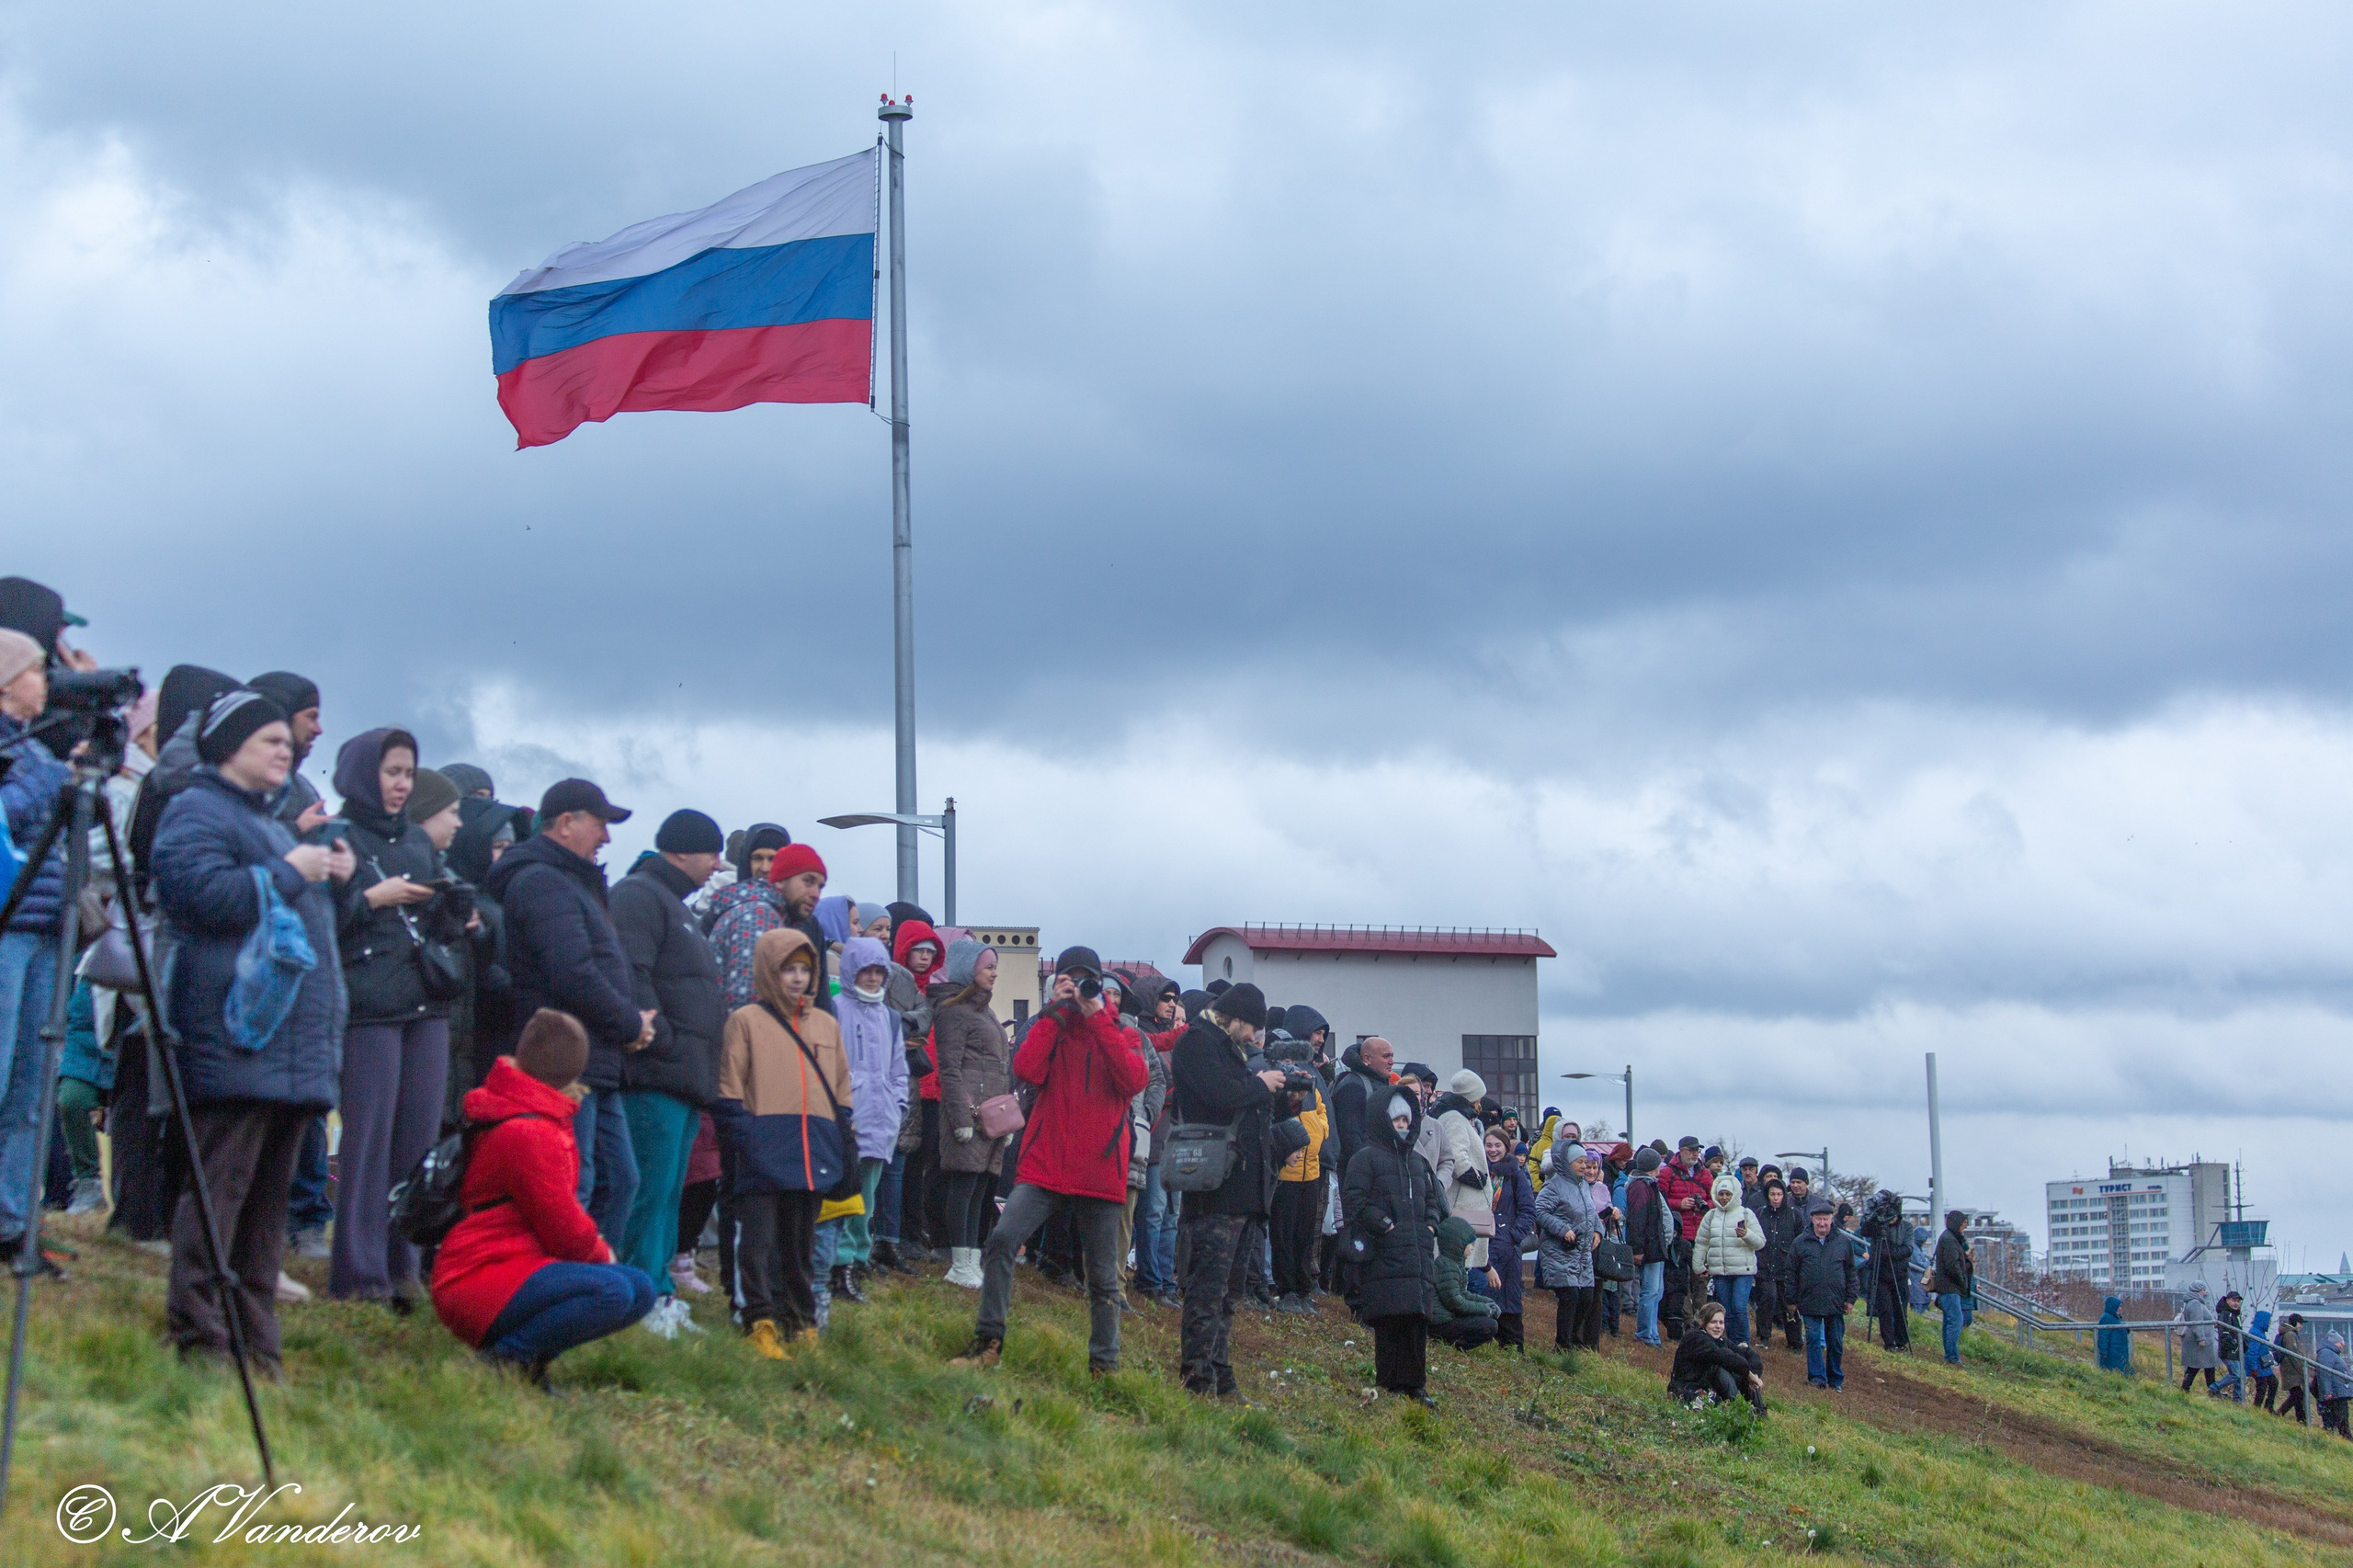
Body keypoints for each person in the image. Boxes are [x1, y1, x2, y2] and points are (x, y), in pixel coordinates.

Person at [151, 690, 353, 1370]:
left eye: (286, 743)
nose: (284, 751)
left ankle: (255, 1347)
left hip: (284, 1049)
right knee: (219, 1195)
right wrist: (289, 872)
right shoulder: (196, 809)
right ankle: (199, 1337)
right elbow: (199, 899)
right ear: (227, 745)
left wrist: (330, 878)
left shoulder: (265, 823)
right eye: (270, 739)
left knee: (264, 1209)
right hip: (235, 1039)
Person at [429, 1009, 655, 1384]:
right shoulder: (531, 1131)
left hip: (507, 1268)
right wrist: (602, 1253)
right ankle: (507, 1358)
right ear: (575, 1070)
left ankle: (528, 1359)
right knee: (615, 1291)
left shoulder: (525, 1111)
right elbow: (562, 1226)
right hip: (480, 1274)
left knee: (641, 1288)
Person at [954, 947, 1148, 1375]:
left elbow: (1132, 1080)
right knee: (1002, 1241)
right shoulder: (1052, 1025)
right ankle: (988, 1342)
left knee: (1103, 1278)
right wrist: (1053, 1013)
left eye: (1086, 981)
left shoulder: (1123, 1032)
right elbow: (1026, 1069)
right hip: (1046, 1164)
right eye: (1069, 980)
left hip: (1099, 1171)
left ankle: (1104, 1368)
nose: (1079, 989)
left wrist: (1098, 1017)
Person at [482, 780, 654, 1248]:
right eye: (600, 825)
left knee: (619, 1180)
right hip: (564, 1061)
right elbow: (572, 973)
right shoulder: (542, 882)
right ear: (564, 823)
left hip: (596, 1058)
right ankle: (554, 1279)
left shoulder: (570, 883)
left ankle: (593, 1281)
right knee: (576, 1182)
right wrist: (630, 1023)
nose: (607, 838)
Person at [324, 729, 450, 1311]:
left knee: (418, 1145)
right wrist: (374, 899)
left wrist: (458, 916)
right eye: (390, 771)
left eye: (408, 773)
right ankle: (358, 1273)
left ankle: (404, 1271)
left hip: (425, 1004)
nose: (401, 785)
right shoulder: (336, 836)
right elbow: (320, 923)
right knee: (368, 1143)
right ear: (361, 773)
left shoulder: (419, 842)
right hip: (369, 1008)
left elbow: (433, 923)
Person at [608, 809, 726, 1339]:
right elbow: (631, 974)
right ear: (681, 850)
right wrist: (665, 1040)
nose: (718, 864)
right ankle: (637, 1298)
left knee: (668, 1196)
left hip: (682, 1080)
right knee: (649, 1193)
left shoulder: (676, 907)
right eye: (711, 853)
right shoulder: (638, 896)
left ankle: (659, 1292)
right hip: (654, 1074)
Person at [712, 928, 850, 1357]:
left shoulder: (826, 1024)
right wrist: (748, 1141)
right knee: (757, 1243)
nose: (797, 978)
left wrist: (836, 1138)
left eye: (804, 970)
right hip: (763, 1149)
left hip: (812, 1150)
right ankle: (759, 1321)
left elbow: (842, 1091)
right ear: (767, 971)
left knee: (800, 1244)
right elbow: (729, 1090)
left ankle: (801, 1322)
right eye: (787, 969)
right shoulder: (745, 1021)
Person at [1165, 981, 1285, 1396]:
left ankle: (1219, 1374)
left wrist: (1280, 1096)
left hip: (1241, 1189)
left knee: (1230, 1293)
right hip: (1215, 1189)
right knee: (1207, 1288)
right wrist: (1260, 1084)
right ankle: (1197, 1377)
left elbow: (1242, 1103)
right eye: (1251, 1028)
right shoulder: (1197, 1043)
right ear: (1235, 1018)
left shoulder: (1228, 1049)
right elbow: (1219, 1096)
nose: (1253, 1038)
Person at [0, 629, 74, 1262]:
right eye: (36, 670)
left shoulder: (37, 752)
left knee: (30, 1088)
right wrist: (55, 781)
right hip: (8, 927)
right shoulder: (25, 758)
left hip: (45, 927)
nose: (46, 682)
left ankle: (13, 1222)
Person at [1344, 1090, 1445, 1406]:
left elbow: (1433, 1200)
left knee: (1416, 1320)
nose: (1402, 1126)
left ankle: (1415, 1385)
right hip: (1384, 1253)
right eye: (1396, 1119)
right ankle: (1389, 1382)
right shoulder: (1365, 1158)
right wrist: (1385, 1225)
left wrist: (1430, 1227)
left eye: (1406, 1120)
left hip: (1417, 1254)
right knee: (1389, 1318)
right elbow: (1355, 1201)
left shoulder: (1417, 1161)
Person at [832, 935, 908, 1298]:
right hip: (846, 1119)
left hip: (881, 1121)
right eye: (867, 971)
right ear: (852, 971)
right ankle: (839, 1263)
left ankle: (859, 1259)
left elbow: (898, 1069)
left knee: (868, 1199)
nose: (874, 978)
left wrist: (898, 1106)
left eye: (880, 972)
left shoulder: (890, 1017)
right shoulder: (834, 1010)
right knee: (843, 1196)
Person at [930, 939, 1007, 1290]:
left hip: (989, 1118)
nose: (994, 973)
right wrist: (961, 1119)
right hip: (969, 1117)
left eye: (995, 967)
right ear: (968, 969)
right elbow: (949, 1069)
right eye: (988, 966)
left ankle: (972, 1261)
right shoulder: (953, 1011)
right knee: (964, 1187)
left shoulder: (985, 1011)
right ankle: (959, 1263)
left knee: (979, 1189)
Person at [1267, 1035, 1328, 1313]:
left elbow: (1322, 1112)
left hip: (1311, 1170)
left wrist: (1320, 1133)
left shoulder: (1309, 1083)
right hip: (1287, 1172)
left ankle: (1303, 1290)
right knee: (1284, 1234)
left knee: (1305, 1235)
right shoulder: (1276, 1084)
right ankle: (1286, 1290)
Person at [1472, 1126, 1535, 1349]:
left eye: (1497, 1145)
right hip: (1480, 1243)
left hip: (1507, 1248)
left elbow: (1528, 1210)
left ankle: (1512, 1348)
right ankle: (1482, 1345)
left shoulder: (1516, 1175)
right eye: (1488, 1145)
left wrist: (1512, 1236)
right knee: (1481, 1294)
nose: (1492, 1150)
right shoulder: (1476, 1171)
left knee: (1508, 1298)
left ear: (1506, 1147)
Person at [1535, 1143, 1602, 1350]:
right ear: (1567, 1162)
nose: (1584, 1166)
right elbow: (1540, 1211)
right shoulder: (1553, 1186)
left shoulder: (1583, 1185)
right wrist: (1563, 1229)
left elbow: (1591, 1212)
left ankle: (1572, 1340)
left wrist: (1598, 1231)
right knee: (1570, 1296)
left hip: (1582, 1254)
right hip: (1560, 1251)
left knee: (1586, 1297)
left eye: (1585, 1162)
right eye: (1579, 1162)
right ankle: (1562, 1345)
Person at [1785, 1199, 1857, 1391]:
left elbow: (1851, 1272)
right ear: (1812, 1220)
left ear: (1832, 1219)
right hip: (1809, 1301)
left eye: (1825, 1219)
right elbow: (1791, 1273)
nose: (1822, 1223)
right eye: (1819, 1219)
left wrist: (1850, 1299)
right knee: (1813, 1340)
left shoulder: (1843, 1242)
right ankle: (1817, 1378)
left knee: (1835, 1342)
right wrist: (1791, 1300)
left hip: (1836, 1302)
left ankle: (1835, 1380)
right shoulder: (1800, 1242)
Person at [1694, 1173, 1766, 1345]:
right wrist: (1698, 1266)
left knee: (1739, 1307)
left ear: (1734, 1195)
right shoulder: (1711, 1216)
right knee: (1726, 1311)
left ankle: (1744, 1343)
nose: (1724, 1198)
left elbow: (1760, 1242)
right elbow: (1702, 1242)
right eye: (1721, 1194)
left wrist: (1746, 1235)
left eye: (1728, 1194)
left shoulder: (1746, 1214)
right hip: (1720, 1272)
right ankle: (1732, 1344)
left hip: (1743, 1271)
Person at [1431, 1070, 1492, 1275]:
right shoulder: (1455, 1118)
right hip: (1461, 1205)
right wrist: (1478, 1178)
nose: (1480, 1103)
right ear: (1471, 1097)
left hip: (1463, 1205)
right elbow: (1456, 1157)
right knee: (1456, 1271)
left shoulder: (1456, 1116)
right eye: (1479, 1098)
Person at [1655, 1136, 1711, 1341]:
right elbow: (1660, 1200)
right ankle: (1687, 1322)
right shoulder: (1667, 1173)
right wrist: (1680, 1204)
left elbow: (1714, 1200)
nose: (1695, 1154)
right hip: (1679, 1237)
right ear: (1681, 1150)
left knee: (1701, 1279)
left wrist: (1704, 1205)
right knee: (1682, 1283)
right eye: (1691, 1150)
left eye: (1697, 1150)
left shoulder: (1705, 1174)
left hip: (1701, 1234)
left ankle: (1702, 1321)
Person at [1669, 1301, 1767, 1415]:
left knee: (1740, 1369)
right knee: (1722, 1368)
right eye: (1713, 1322)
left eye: (1721, 1322)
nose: (1718, 1326)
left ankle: (1760, 1414)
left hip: (1710, 1389)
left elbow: (1749, 1354)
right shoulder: (1694, 1337)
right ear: (1703, 1322)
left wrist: (1754, 1376)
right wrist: (1749, 1374)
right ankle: (1735, 1412)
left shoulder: (1721, 1341)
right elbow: (1722, 1356)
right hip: (1687, 1389)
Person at [1623, 1147, 1675, 1346]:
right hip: (1649, 1247)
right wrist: (1638, 1249)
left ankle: (1652, 1333)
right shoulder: (1640, 1187)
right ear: (1654, 1166)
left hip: (1656, 1247)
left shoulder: (1648, 1184)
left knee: (1656, 1291)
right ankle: (1645, 1333)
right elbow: (1637, 1220)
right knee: (1650, 1291)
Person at [1429, 1215, 1500, 1351]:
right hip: (1440, 1324)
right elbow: (1456, 1303)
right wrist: (1486, 1309)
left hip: (1447, 1319)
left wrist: (1488, 1302)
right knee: (1489, 1326)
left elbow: (1464, 1294)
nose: (1472, 1248)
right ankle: (1454, 1345)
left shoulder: (1454, 1265)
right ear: (1458, 1245)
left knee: (1488, 1322)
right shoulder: (1447, 1267)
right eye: (1470, 1244)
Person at [1860, 1189, 1913, 1351]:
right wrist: (1873, 1218)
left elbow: (1908, 1249)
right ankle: (1889, 1343)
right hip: (1881, 1274)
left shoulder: (1906, 1227)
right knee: (1885, 1310)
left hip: (1899, 1275)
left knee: (1900, 1310)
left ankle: (1902, 1342)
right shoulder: (1878, 1226)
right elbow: (1864, 1231)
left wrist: (1889, 1251)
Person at [1925, 1209, 1975, 1365]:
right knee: (1956, 1321)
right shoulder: (1949, 1239)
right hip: (1950, 1287)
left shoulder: (1950, 1237)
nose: (1965, 1226)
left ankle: (1950, 1355)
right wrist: (1962, 1281)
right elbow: (1952, 1265)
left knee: (1950, 1321)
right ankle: (1952, 1357)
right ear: (1956, 1223)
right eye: (1964, 1223)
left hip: (1949, 1287)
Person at [2175, 1281, 2220, 1392]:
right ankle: (2186, 1388)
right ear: (2198, 1291)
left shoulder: (2191, 1302)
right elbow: (2197, 1322)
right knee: (2195, 1366)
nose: (2205, 1293)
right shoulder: (2195, 1303)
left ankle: (2212, 1389)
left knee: (2206, 1365)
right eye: (2203, 1290)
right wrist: (2201, 1338)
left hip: (2201, 1339)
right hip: (2199, 1340)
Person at [2277, 1313, 2313, 1424]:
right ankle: (2281, 1413)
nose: (2301, 1326)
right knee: (2297, 1395)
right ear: (2295, 1322)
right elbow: (2294, 1355)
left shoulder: (2291, 1333)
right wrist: (2302, 1371)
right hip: (2291, 1370)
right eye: (2300, 1323)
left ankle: (2300, 1418)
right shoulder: (2290, 1334)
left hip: (2292, 1370)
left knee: (2297, 1395)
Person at [2320, 1333, 2353, 1438]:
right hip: (2336, 1392)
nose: (2342, 1346)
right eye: (2340, 1344)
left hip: (2340, 1391)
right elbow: (2324, 1373)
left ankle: (2347, 1438)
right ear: (2333, 1342)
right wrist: (2327, 1391)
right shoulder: (2327, 1353)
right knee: (2338, 1416)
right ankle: (2329, 1435)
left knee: (2343, 1417)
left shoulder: (2332, 1353)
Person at [2247, 1309, 2279, 1412]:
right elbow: (2252, 1352)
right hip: (2259, 1365)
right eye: (2268, 1321)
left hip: (2264, 1365)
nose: (2269, 1323)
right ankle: (2257, 1409)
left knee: (2273, 1383)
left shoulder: (2259, 1332)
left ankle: (2267, 1407)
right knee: (2262, 1387)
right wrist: (2254, 1368)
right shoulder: (2256, 1333)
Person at [2096, 1295, 2133, 1375]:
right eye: (2119, 1306)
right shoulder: (2107, 1318)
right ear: (2113, 1307)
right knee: (2115, 1371)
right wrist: (2104, 1352)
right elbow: (2103, 1335)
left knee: (2123, 1370)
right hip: (2112, 1351)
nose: (2120, 1309)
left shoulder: (2115, 1318)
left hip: (2120, 1350)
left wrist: (2125, 1329)